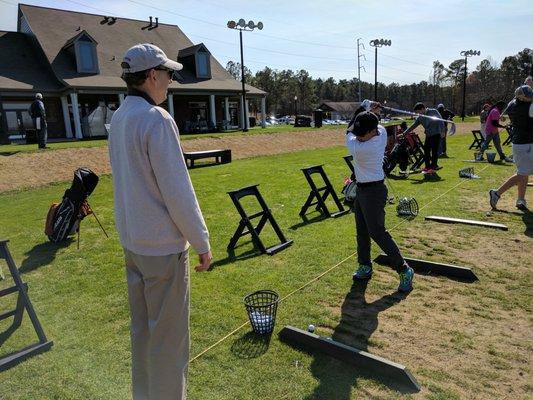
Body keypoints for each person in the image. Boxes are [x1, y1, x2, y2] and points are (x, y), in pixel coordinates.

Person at [109, 43, 212, 400]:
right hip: (162, 249)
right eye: (167, 74)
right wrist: (201, 242)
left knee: (143, 334)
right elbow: (178, 191)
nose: (169, 81)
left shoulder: (120, 118)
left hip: (134, 243)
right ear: (152, 75)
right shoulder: (156, 119)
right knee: (168, 341)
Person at [346, 106, 414, 293]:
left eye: (362, 134)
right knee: (361, 230)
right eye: (357, 133)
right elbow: (368, 125)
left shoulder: (359, 147)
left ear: (371, 132)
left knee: (377, 232)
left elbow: (348, 132)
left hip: (373, 192)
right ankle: (365, 266)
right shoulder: (381, 132)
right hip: (362, 190)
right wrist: (368, 111)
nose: (358, 136)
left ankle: (404, 269)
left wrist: (362, 108)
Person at [489, 85, 533, 211]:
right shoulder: (529, 107)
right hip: (526, 143)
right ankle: (496, 193)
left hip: (521, 142)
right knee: (522, 173)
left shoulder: (513, 104)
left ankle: (520, 199)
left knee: (523, 174)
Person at [402, 102, 445, 174]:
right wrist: (404, 133)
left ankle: (434, 167)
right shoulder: (420, 117)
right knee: (426, 151)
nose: (418, 114)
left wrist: (442, 131)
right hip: (428, 135)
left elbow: (440, 121)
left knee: (434, 151)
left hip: (436, 134)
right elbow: (414, 125)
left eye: (418, 112)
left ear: (422, 109)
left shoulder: (433, 111)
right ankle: (427, 167)